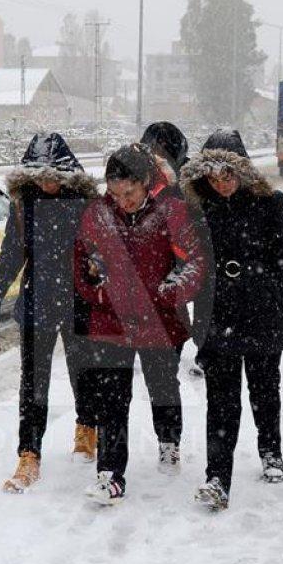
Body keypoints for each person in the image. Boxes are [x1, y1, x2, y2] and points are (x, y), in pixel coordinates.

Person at [73, 143, 207, 504]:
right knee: (112, 397)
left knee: (162, 384)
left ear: (146, 182)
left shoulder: (172, 213)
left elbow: (194, 263)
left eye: (129, 192)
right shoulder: (98, 215)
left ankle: (169, 441)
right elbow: (82, 266)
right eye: (115, 193)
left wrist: (168, 292)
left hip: (158, 320)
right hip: (111, 320)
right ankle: (110, 474)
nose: (123, 200)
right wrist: (98, 291)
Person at [181, 130, 283, 510]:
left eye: (228, 176)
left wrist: (280, 299)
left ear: (244, 172)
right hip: (220, 319)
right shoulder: (199, 211)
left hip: (264, 315)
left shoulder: (272, 204)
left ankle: (271, 450)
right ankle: (217, 478)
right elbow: (189, 262)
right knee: (221, 402)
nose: (221, 185)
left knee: (265, 390)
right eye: (214, 178)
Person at [0, 132, 100, 493]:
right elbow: (13, 253)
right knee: (33, 382)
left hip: (78, 301)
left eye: (53, 175)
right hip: (38, 302)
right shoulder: (23, 205)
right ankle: (29, 454)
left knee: (82, 372)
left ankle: (86, 427)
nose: (46, 182)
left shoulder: (86, 205)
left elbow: (102, 253)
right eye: (39, 175)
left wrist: (99, 272)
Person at [139, 121, 188, 196]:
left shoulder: (191, 178)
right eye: (153, 147)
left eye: (166, 149)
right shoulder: (140, 175)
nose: (159, 155)